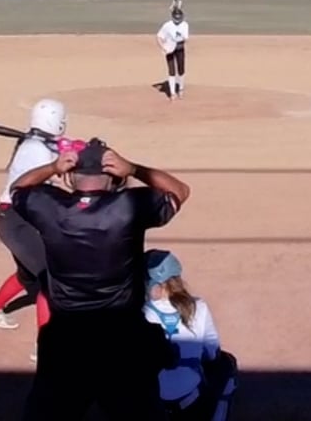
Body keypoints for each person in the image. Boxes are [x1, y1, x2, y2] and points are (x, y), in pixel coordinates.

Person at [10, 138, 191, 421]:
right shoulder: (130, 205)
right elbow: (179, 190)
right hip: (121, 341)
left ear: (71, 177)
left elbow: (17, 189)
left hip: (66, 340)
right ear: (113, 178)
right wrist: (134, 169)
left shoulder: (48, 206)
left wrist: (52, 167)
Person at [0, 98, 67, 348]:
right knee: (51, 280)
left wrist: (68, 149)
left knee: (28, 274)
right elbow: (57, 179)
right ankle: (46, 348)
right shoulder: (38, 150)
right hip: (16, 221)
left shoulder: (37, 144)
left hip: (14, 218)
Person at [143, 250, 237, 420]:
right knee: (226, 364)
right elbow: (212, 353)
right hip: (190, 405)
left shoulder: (138, 312)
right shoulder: (198, 307)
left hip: (150, 405)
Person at [157, 8, 191, 99]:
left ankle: (181, 89)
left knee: (181, 69)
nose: (177, 18)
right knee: (171, 70)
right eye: (176, 16)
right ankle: (172, 93)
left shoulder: (185, 25)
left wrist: (178, 37)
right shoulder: (167, 25)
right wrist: (164, 47)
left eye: (179, 16)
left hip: (180, 48)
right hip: (169, 49)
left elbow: (185, 38)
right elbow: (159, 36)